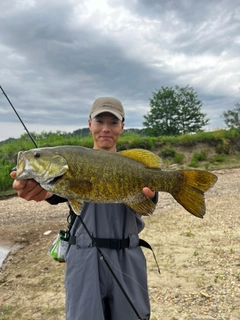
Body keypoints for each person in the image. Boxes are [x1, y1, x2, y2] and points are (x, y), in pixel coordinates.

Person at [10, 97, 158, 320]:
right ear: (89, 124)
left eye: (113, 122)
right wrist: (36, 188)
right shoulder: (67, 168)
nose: (105, 128)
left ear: (122, 127)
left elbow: (148, 203)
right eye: (100, 121)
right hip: (83, 259)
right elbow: (53, 193)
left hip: (127, 258)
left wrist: (153, 194)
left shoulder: (131, 164)